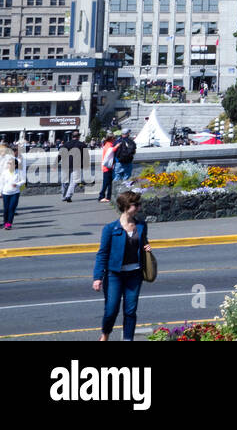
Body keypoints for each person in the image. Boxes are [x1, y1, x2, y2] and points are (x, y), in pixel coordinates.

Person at [92, 190, 153, 341]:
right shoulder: (110, 229)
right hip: (114, 275)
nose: (139, 208)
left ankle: (127, 339)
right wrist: (97, 277)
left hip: (135, 274)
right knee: (111, 310)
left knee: (130, 311)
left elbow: (144, 243)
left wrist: (147, 248)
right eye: (136, 205)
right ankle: (105, 334)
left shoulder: (141, 226)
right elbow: (102, 254)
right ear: (126, 206)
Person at [60, 132, 87, 202]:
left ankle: (64, 196)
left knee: (65, 181)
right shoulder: (82, 145)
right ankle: (68, 195)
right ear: (79, 137)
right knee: (74, 182)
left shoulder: (66, 144)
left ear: (72, 136)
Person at [1, 149, 21, 230]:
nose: (8, 164)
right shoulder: (5, 172)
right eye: (8, 163)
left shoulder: (19, 172)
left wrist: (17, 185)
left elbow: (23, 181)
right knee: (6, 209)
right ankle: (5, 222)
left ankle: (9, 223)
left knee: (11, 208)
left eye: (10, 163)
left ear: (15, 165)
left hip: (15, 192)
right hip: (6, 192)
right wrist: (0, 192)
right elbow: (1, 183)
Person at [98, 134, 118, 203]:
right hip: (106, 167)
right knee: (106, 183)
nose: (115, 139)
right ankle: (101, 196)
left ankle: (108, 197)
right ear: (111, 139)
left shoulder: (107, 144)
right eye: (114, 138)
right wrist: (117, 146)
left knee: (109, 183)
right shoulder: (108, 145)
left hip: (107, 167)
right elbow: (110, 151)